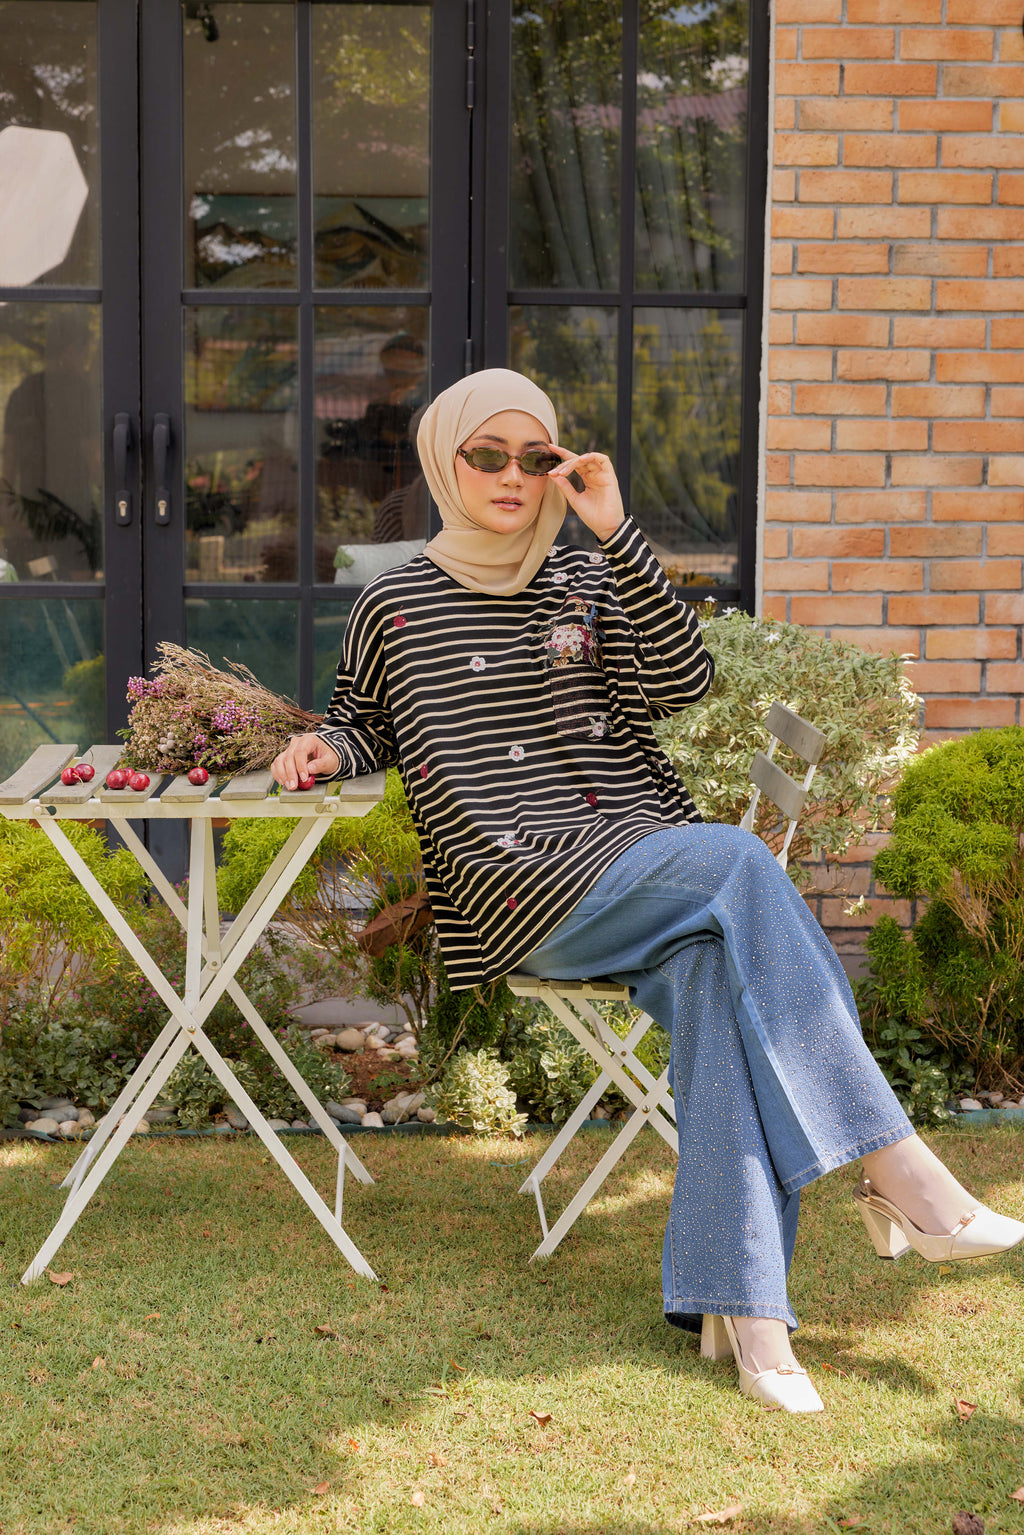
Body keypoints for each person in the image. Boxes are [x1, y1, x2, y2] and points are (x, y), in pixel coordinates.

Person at [272, 368, 1024, 1414]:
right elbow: (365, 720)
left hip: (631, 855)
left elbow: (684, 683)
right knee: (737, 860)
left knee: (715, 973)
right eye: (484, 455)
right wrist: (324, 746)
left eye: (533, 456)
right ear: (445, 463)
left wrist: (618, 534)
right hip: (513, 883)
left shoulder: (587, 576)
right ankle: (900, 1171)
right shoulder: (393, 603)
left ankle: (748, 1318)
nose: (509, 475)